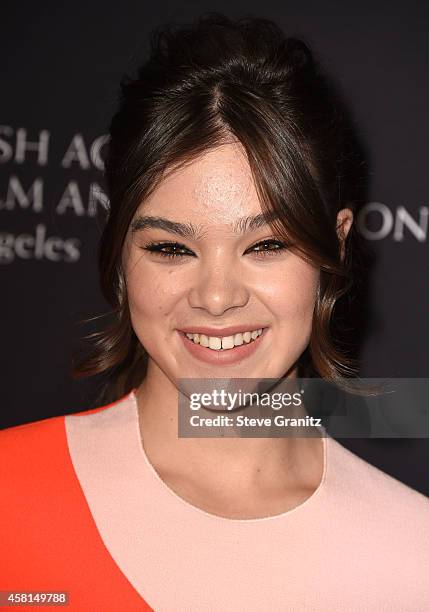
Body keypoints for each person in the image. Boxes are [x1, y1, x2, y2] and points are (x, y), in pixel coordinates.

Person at [1, 12, 428, 612]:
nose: (217, 296)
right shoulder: (8, 498)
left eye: (267, 245)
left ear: (333, 247)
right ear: (120, 251)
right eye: (172, 248)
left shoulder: (413, 557)